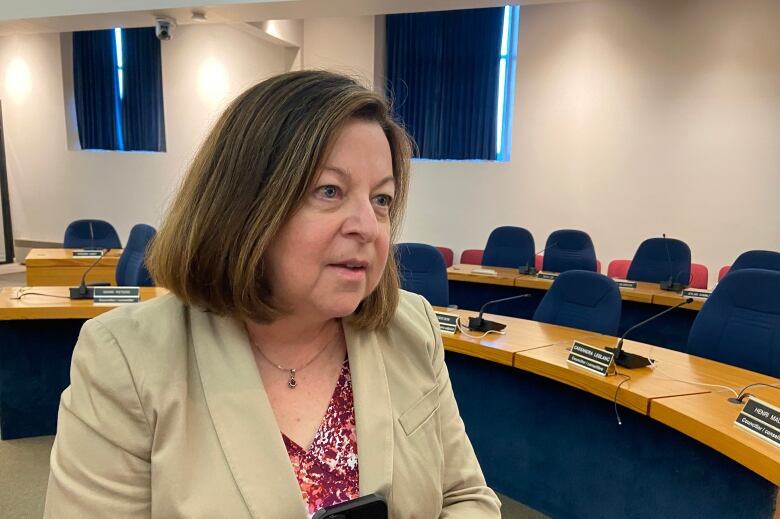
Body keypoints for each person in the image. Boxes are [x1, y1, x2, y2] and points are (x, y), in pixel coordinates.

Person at [44, 70, 500, 518]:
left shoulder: (411, 325)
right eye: (329, 191)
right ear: (245, 206)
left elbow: (466, 497)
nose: (368, 226)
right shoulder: (125, 359)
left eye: (381, 199)